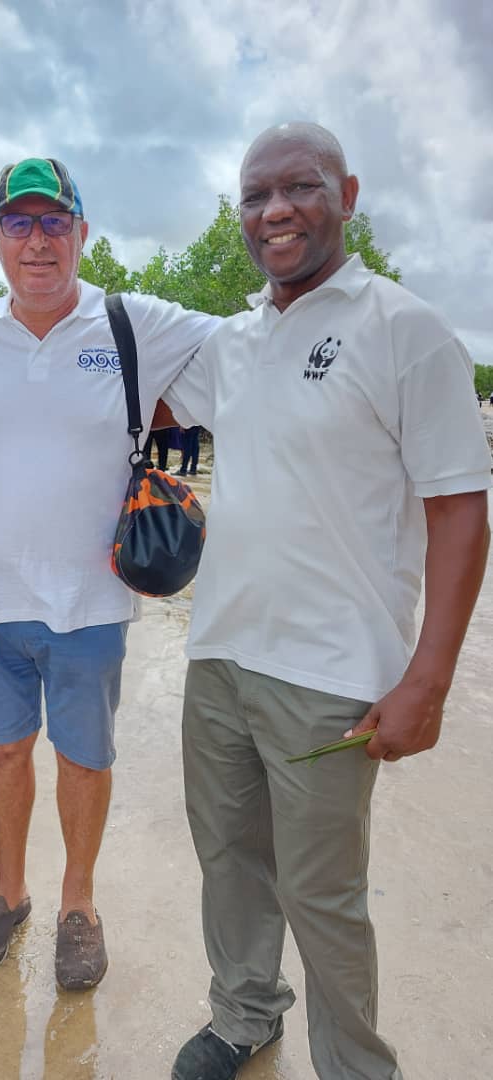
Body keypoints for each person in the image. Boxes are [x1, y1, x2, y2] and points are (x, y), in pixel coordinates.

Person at [162, 123, 491, 1079]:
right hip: (219, 655)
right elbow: (141, 398)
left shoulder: (406, 329)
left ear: (345, 193)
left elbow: (461, 513)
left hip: (333, 675)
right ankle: (244, 1013)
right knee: (230, 862)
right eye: (255, 197)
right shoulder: (235, 339)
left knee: (322, 893)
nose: (275, 212)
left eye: (297, 188)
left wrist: (428, 677)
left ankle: (356, 1065)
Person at [0, 158, 217, 990]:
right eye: (18, 224)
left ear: (84, 234)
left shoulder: (136, 325)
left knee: (85, 757)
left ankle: (78, 906)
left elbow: (251, 344)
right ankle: (9, 893)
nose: (38, 241)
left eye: (55, 222)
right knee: (3, 753)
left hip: (93, 602)